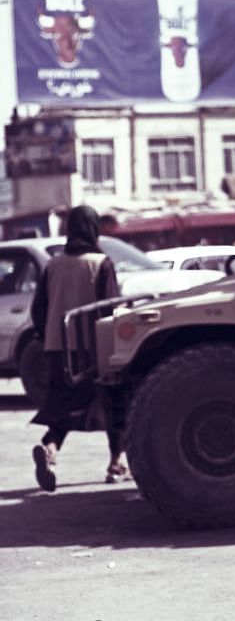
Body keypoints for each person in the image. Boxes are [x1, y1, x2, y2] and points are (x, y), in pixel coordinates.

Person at [30, 205, 126, 492]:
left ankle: (50, 448)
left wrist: (46, 337)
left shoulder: (53, 265)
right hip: (92, 350)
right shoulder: (101, 263)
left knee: (64, 404)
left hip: (58, 349)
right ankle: (116, 462)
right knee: (113, 402)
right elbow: (110, 308)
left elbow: (39, 310)